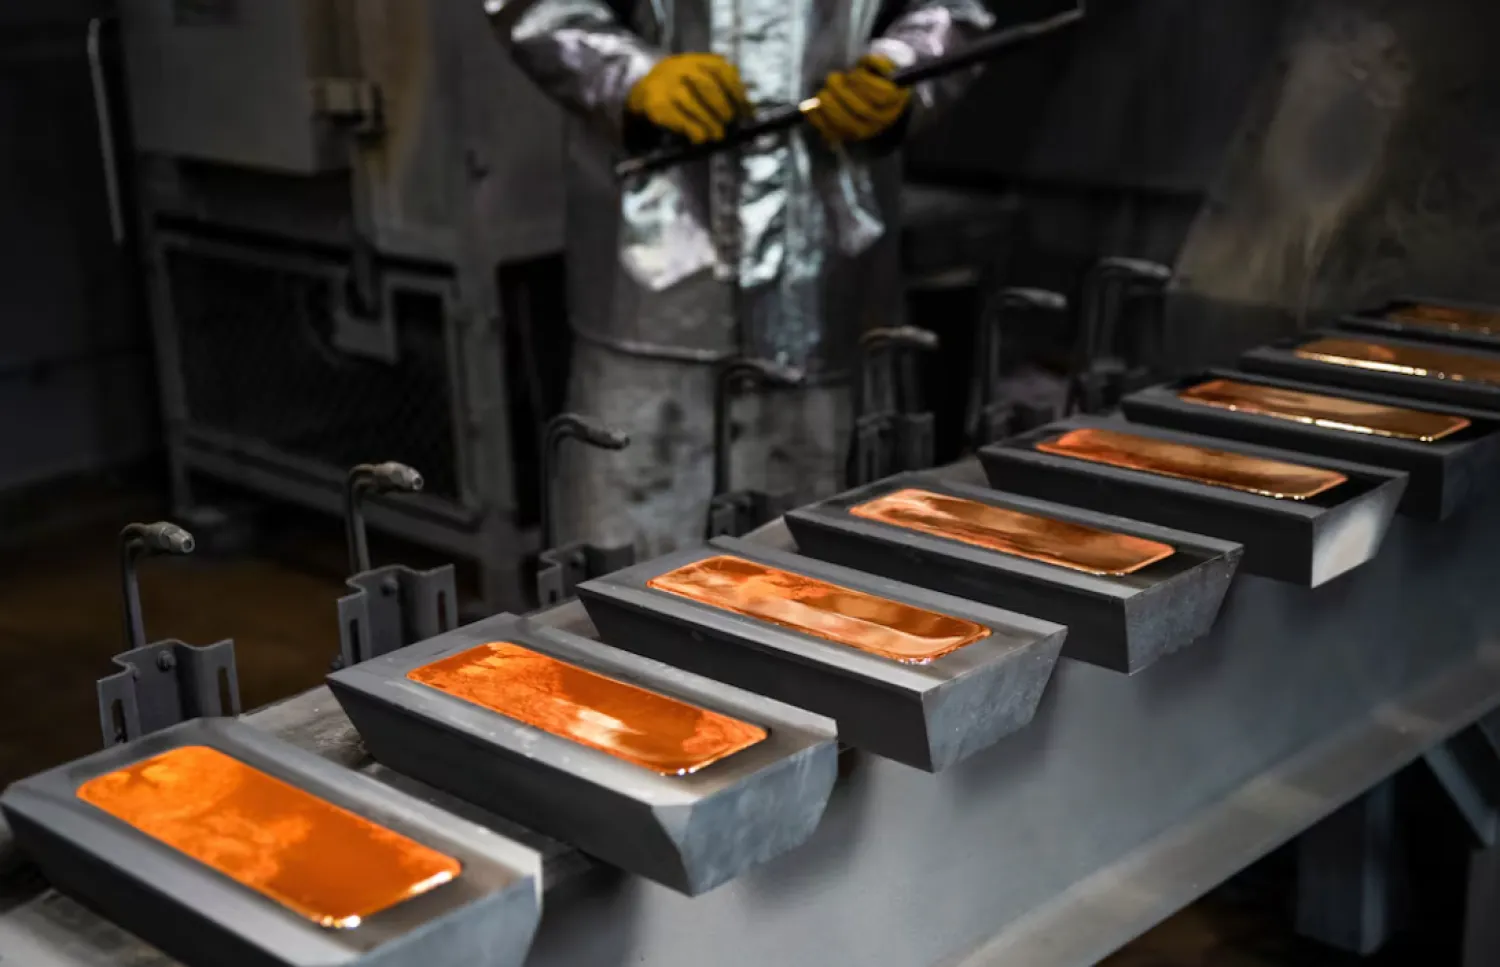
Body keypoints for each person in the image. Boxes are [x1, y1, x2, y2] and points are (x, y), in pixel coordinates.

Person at [486, 0, 994, 557]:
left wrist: (904, 69)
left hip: (831, 275)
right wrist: (626, 75)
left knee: (833, 566)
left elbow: (956, 9)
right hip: (655, 278)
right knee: (627, 562)